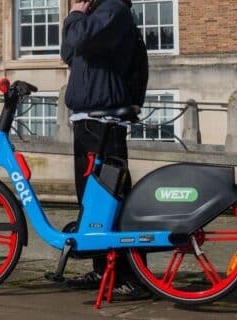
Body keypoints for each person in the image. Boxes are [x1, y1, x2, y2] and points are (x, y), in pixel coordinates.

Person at [61, 0, 150, 296]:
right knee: (91, 201)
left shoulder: (114, 10)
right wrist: (79, 18)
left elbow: (77, 39)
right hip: (88, 119)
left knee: (114, 200)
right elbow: (67, 51)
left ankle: (132, 276)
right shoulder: (95, 15)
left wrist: (74, 16)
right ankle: (103, 270)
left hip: (104, 120)